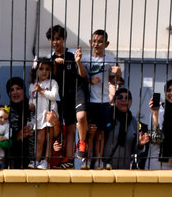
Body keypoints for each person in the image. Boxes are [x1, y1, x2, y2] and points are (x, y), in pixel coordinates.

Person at [44, 25, 88, 167]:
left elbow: (83, 75)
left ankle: (82, 144)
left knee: (81, 117)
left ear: (63, 39)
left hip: (77, 91)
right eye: (52, 39)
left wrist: (78, 62)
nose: (55, 42)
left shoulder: (71, 55)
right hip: (63, 97)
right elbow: (51, 80)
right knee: (69, 129)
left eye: (58, 39)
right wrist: (55, 65)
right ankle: (69, 160)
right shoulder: (50, 60)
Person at [82, 29, 121, 167]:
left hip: (104, 101)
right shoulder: (85, 59)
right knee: (90, 132)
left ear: (106, 44)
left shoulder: (110, 60)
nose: (96, 44)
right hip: (90, 101)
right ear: (90, 42)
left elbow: (113, 79)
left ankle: (99, 159)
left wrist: (119, 73)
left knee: (101, 133)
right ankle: (86, 159)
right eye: (94, 41)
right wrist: (89, 80)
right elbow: (81, 78)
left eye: (100, 41)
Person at [100, 87, 150, 170]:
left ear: (131, 101)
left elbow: (134, 151)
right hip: (104, 169)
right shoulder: (107, 117)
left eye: (127, 98)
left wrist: (140, 144)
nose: (124, 100)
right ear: (115, 100)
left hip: (123, 171)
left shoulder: (134, 122)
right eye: (120, 97)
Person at [29, 58, 59, 170]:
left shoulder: (53, 83)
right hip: (39, 115)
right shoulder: (32, 85)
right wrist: (30, 104)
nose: (44, 72)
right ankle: (36, 160)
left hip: (50, 114)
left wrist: (41, 90)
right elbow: (31, 98)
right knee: (40, 139)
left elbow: (54, 95)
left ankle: (46, 161)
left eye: (47, 69)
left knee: (49, 138)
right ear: (36, 71)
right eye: (41, 69)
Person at [5, 76, 34, 169]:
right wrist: (17, 136)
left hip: (34, 161)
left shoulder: (33, 108)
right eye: (12, 90)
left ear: (24, 90)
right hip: (13, 162)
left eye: (18, 88)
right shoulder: (5, 112)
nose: (15, 92)